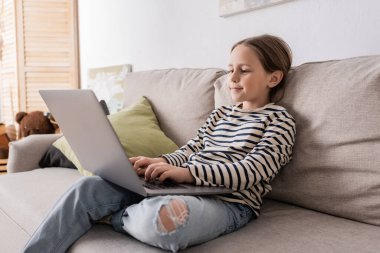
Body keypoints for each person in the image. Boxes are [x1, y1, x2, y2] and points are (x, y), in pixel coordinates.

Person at [23, 34, 296, 253]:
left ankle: (112, 214)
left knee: (168, 223)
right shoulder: (221, 114)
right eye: (230, 69)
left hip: (229, 203)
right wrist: (163, 162)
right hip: (186, 186)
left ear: (273, 77)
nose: (232, 78)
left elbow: (252, 172)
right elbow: (191, 149)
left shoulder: (279, 121)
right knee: (88, 187)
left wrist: (189, 173)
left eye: (244, 70)